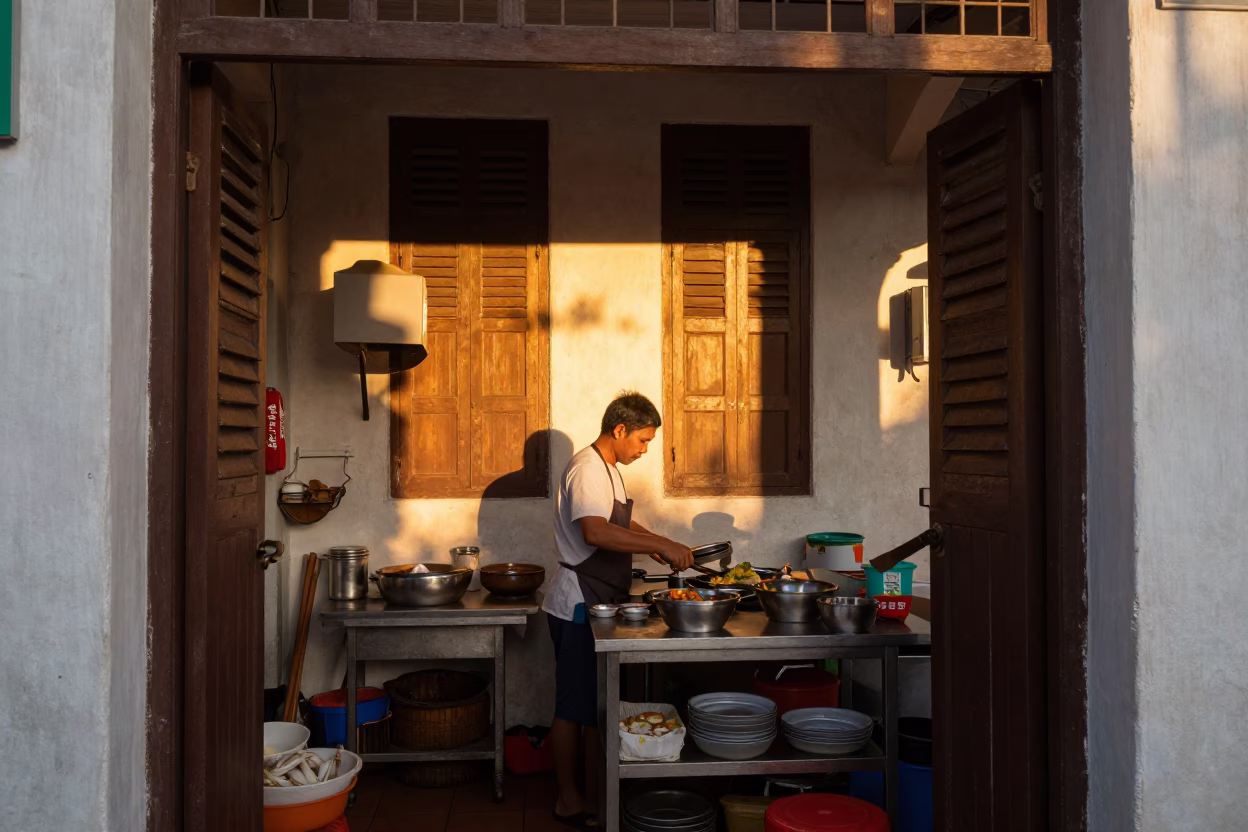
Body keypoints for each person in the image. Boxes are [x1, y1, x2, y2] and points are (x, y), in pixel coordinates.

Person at [544, 392, 694, 829]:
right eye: (643, 440)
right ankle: (569, 799)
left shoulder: (609, 469)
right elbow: (594, 532)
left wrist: (661, 543)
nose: (645, 449)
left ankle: (594, 793)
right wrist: (659, 545)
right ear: (619, 430)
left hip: (598, 599)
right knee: (573, 706)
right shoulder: (588, 469)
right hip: (576, 602)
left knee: (591, 703)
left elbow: (620, 525)